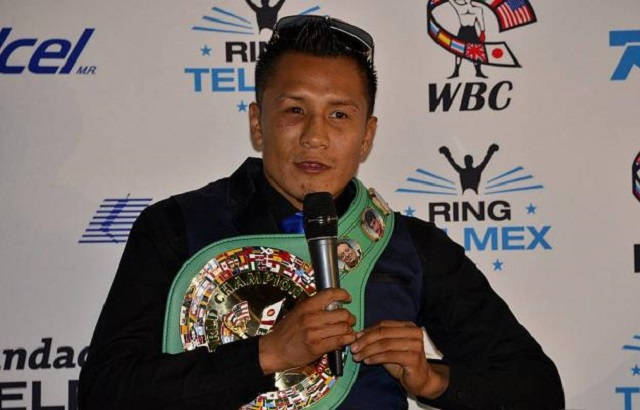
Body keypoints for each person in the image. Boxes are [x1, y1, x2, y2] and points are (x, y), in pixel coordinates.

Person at [78, 15, 564, 409]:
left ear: (367, 135)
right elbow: (105, 392)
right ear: (257, 123)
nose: (315, 136)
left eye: (339, 114)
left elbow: (537, 391)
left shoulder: (410, 247)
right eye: (295, 110)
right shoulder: (177, 227)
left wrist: (431, 380)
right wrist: (266, 354)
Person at [448, 0, 488, 78]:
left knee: (475, 51)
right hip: (462, 31)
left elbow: (480, 21)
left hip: (472, 31)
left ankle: (478, 72)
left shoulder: (478, 9)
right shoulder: (459, 7)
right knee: (458, 51)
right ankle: (456, 72)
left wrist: (482, 32)